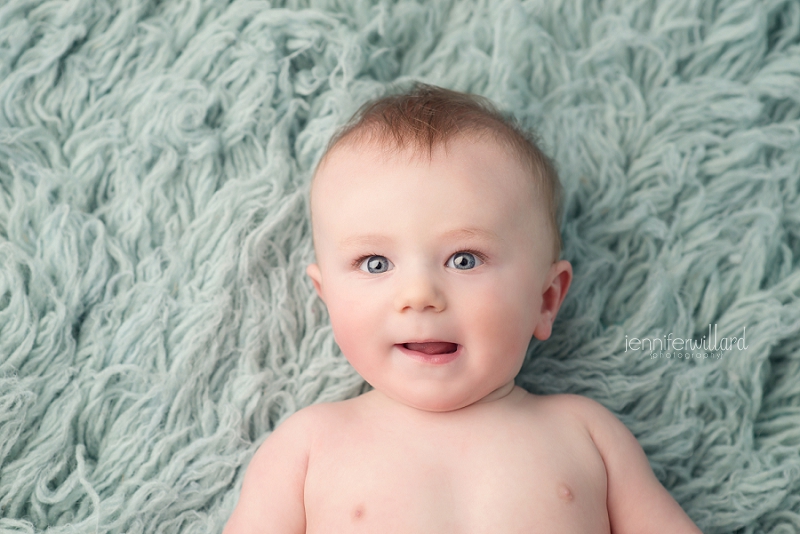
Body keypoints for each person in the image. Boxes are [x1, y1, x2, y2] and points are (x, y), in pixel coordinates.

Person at [224, 83, 702, 533]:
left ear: (546, 299)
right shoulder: (307, 447)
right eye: (374, 263)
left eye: (464, 259)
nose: (419, 295)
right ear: (326, 298)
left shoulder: (586, 433)